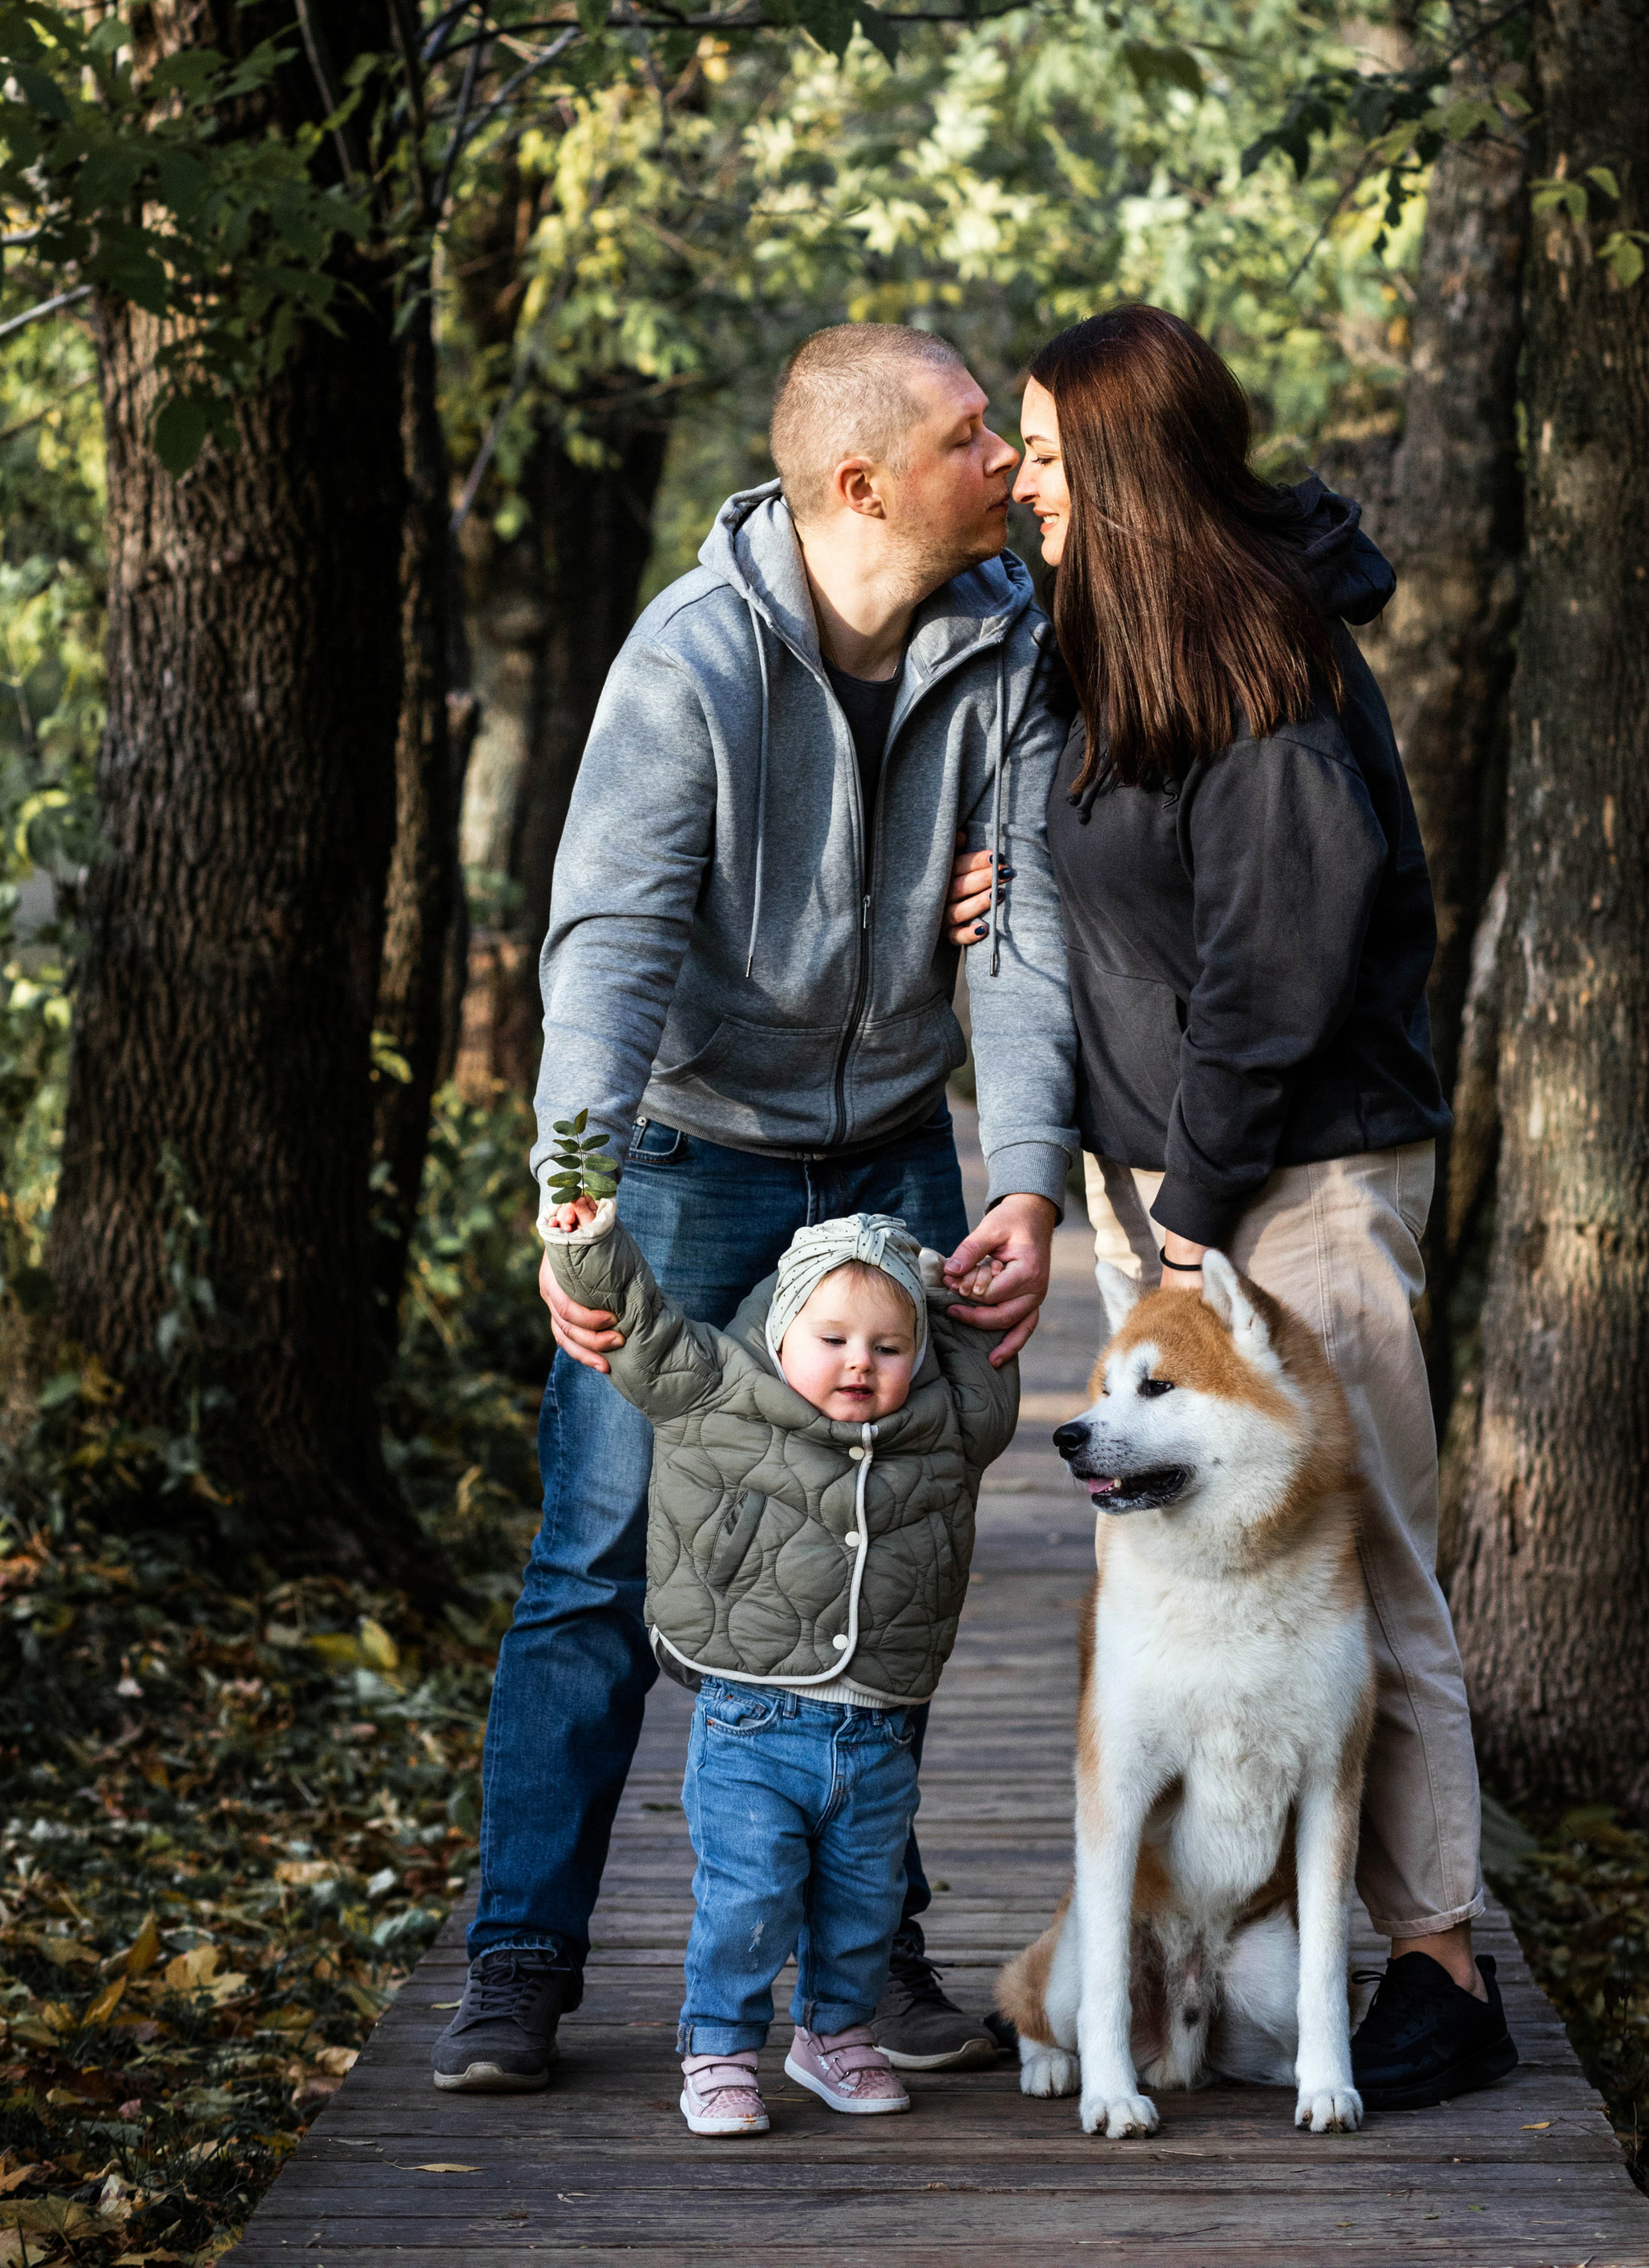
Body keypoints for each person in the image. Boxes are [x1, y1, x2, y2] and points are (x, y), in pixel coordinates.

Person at [432, 325, 1077, 2096]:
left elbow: (1015, 939)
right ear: (861, 484)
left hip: (889, 1149)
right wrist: (577, 1198)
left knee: (885, 1547)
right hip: (692, 1155)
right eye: (973, 441)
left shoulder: (1004, 649)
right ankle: (520, 1959)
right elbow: (610, 947)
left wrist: (1020, 1172)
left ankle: (863, 1967)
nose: (1009, 467)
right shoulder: (691, 660)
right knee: (600, 1557)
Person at [949, 301, 1518, 2112]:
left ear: (1115, 468)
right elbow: (1135, 892)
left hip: (1301, 1179)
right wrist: (1011, 879)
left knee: (1364, 1552)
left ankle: (1434, 1959)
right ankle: (1177, 1949)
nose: (1019, 483)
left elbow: (1274, 966)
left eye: (1040, 452)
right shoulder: (1111, 639)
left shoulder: (1263, 658)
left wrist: (1187, 1206)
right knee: (1183, 1564)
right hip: (1177, 1186)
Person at [536, 1201, 1018, 2136]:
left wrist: (955, 1299)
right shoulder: (715, 1388)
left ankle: (833, 2035)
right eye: (831, 1338)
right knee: (748, 1896)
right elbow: (640, 1326)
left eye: (888, 1347)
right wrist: (588, 1246)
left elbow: (982, 1374)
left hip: (879, 1731)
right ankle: (716, 2047)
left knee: (864, 1904)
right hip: (750, 1727)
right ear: (778, 1330)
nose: (858, 1364)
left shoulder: (946, 1428)